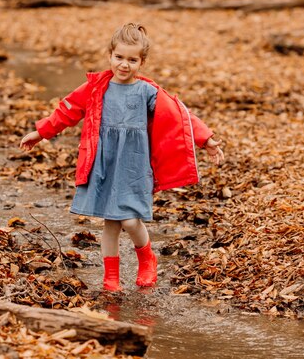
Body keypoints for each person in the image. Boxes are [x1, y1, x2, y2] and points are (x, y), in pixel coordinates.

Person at [20, 23, 223, 292]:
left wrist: (206, 139)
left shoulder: (147, 91)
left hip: (134, 163)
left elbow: (178, 117)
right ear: (109, 55)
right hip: (104, 162)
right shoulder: (95, 87)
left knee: (129, 220)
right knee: (111, 224)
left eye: (132, 60)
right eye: (119, 57)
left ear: (142, 61)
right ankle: (111, 277)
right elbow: (67, 111)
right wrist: (40, 132)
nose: (124, 65)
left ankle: (147, 257)